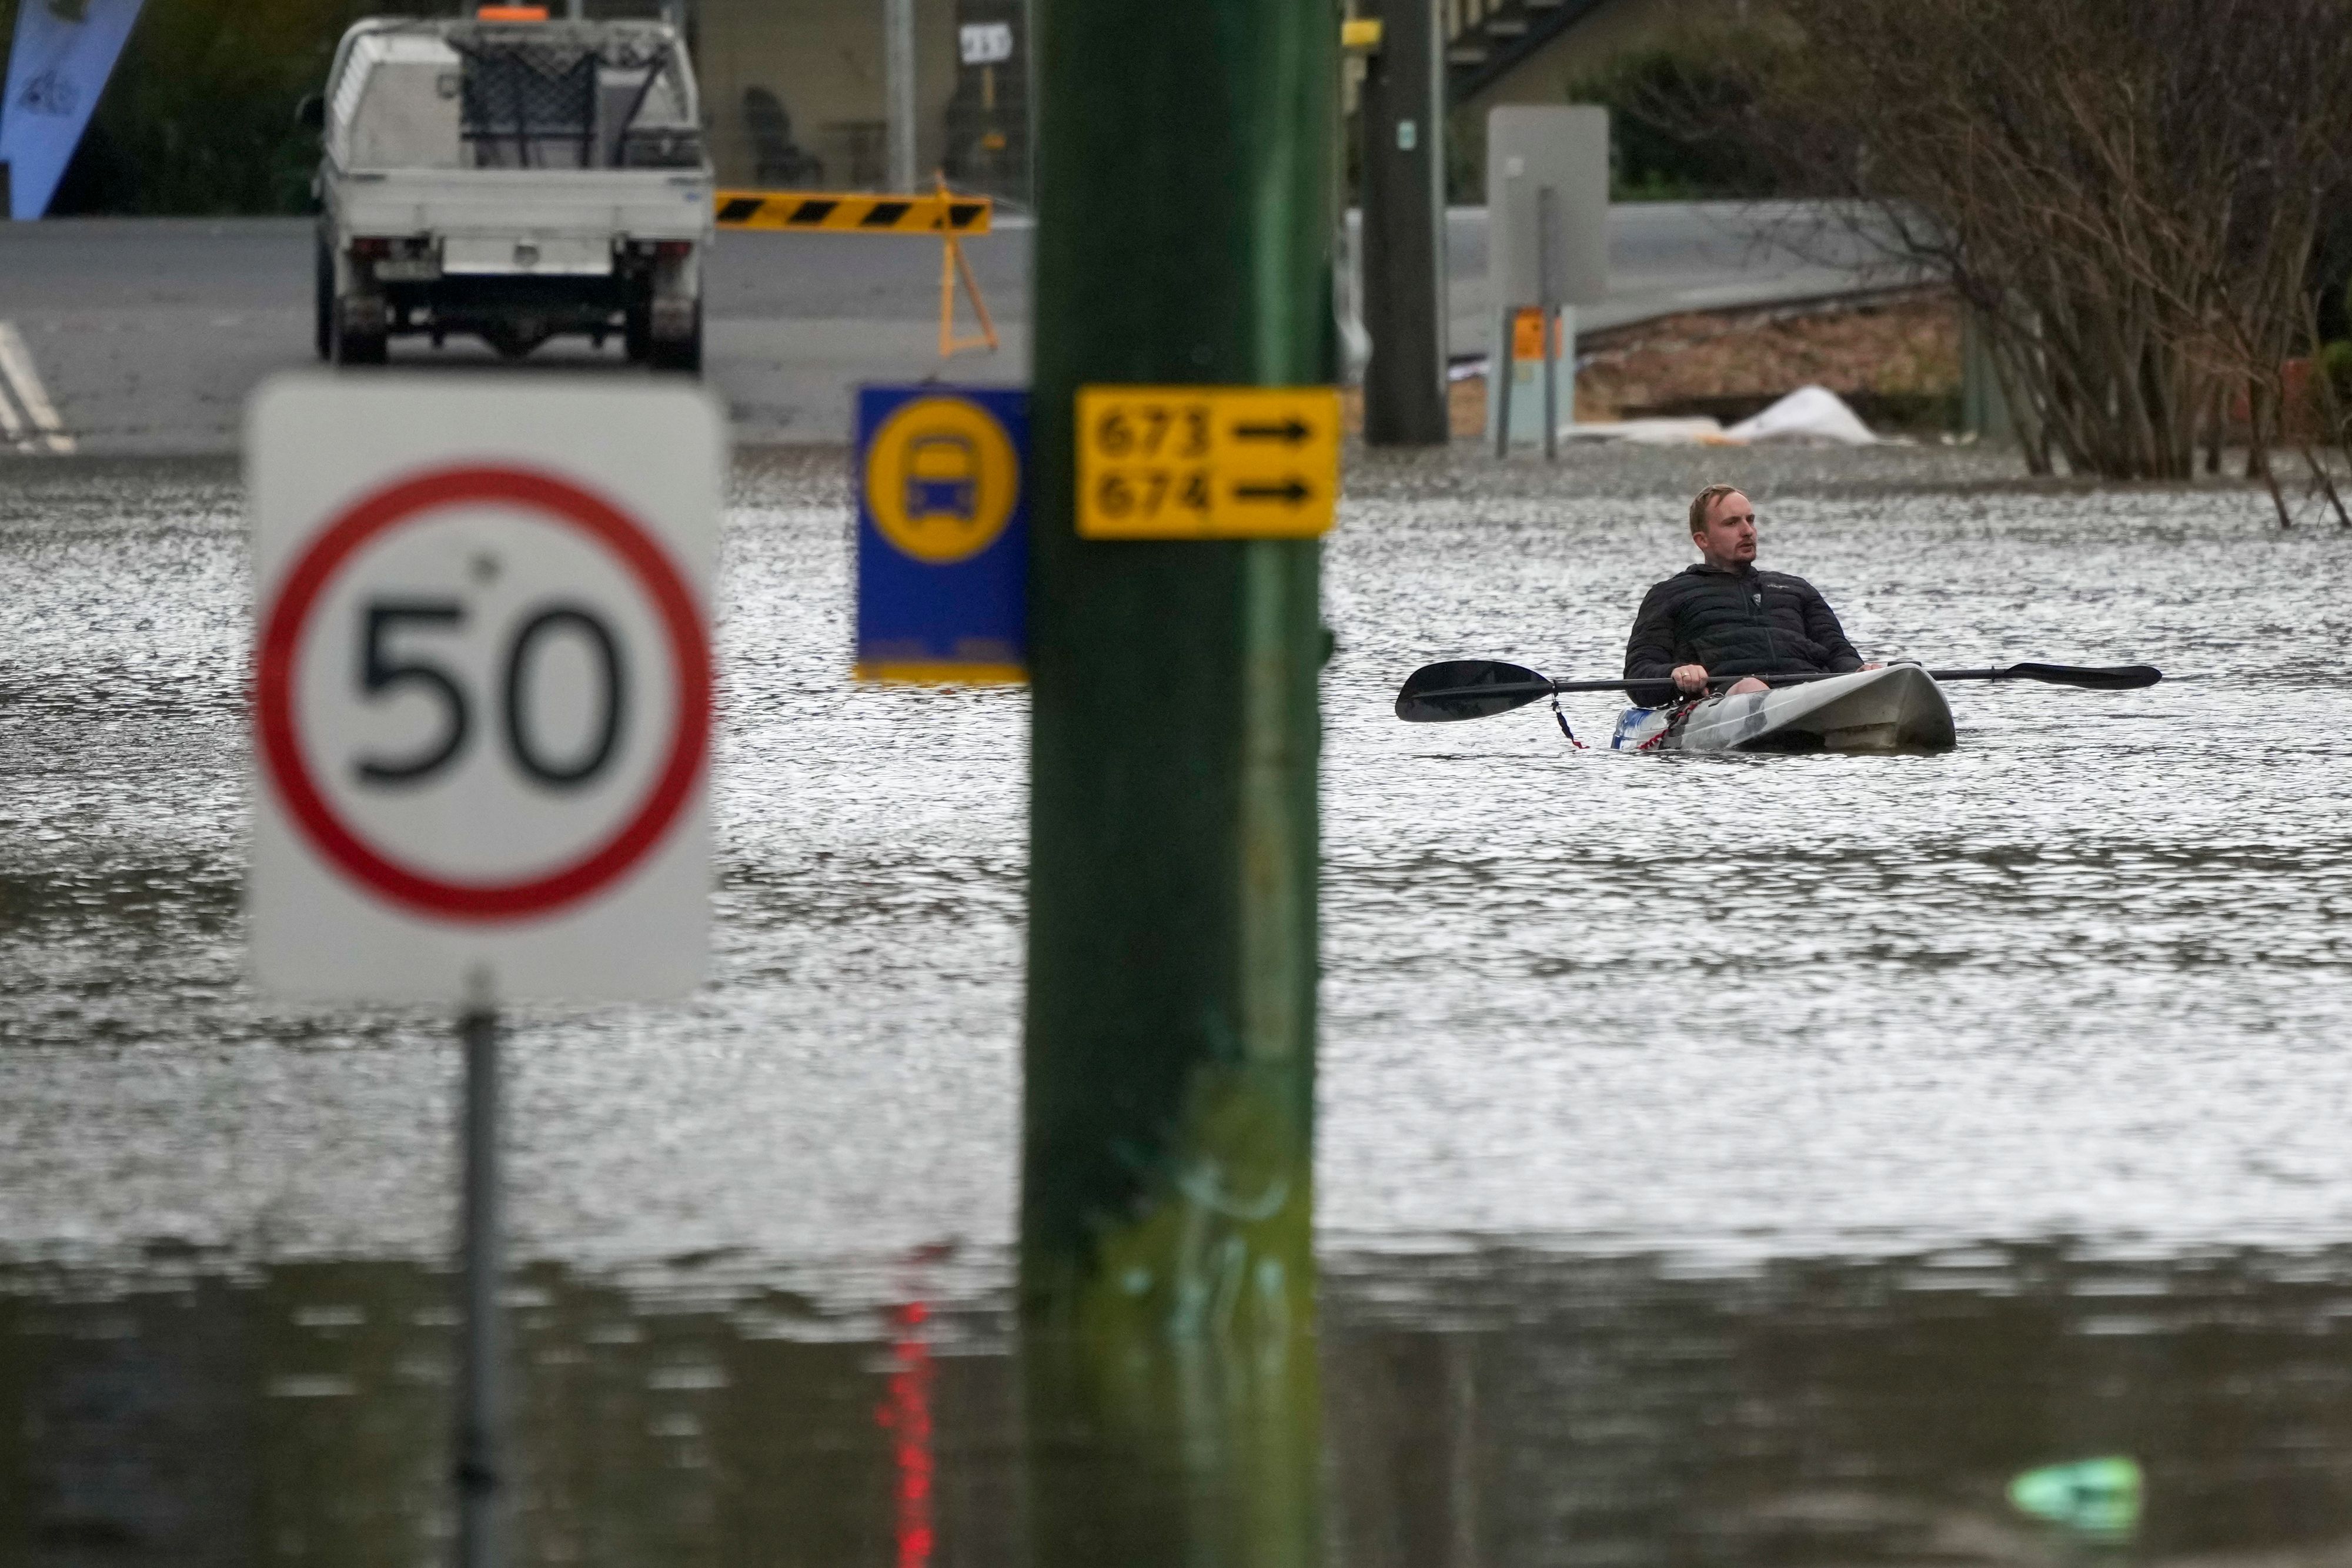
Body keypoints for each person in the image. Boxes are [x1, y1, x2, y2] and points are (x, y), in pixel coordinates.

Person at [1624, 483, 1877, 698]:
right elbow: (1639, 673)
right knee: (1752, 687)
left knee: (1889, 672)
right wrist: (1676, 673)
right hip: (1727, 696)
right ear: (1703, 540)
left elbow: (1837, 651)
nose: (1747, 531)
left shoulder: (1796, 588)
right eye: (1732, 523)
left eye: (1750, 520)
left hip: (1808, 691)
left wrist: (1858, 672)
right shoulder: (1669, 594)